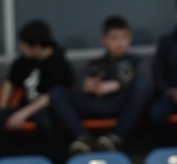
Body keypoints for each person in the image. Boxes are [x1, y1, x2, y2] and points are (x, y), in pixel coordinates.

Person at [49, 15, 150, 153]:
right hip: (95, 103)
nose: (120, 42)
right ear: (104, 39)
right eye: (114, 38)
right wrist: (87, 86)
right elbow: (80, 84)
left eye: (124, 37)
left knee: (141, 85)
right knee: (57, 92)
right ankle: (82, 138)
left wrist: (117, 85)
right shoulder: (95, 62)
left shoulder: (137, 61)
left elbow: (148, 83)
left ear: (130, 38)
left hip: (121, 104)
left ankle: (116, 138)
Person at [0, 20, 73, 164]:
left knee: (46, 121)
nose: (21, 48)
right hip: (24, 107)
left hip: (46, 109)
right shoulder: (23, 62)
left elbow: (52, 96)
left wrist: (22, 114)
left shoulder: (59, 63)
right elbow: (10, 82)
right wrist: (2, 108)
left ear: (36, 47)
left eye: (24, 45)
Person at [149, 0, 177, 147]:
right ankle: (169, 150)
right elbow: (158, 74)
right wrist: (170, 91)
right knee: (156, 112)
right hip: (170, 96)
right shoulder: (166, 41)